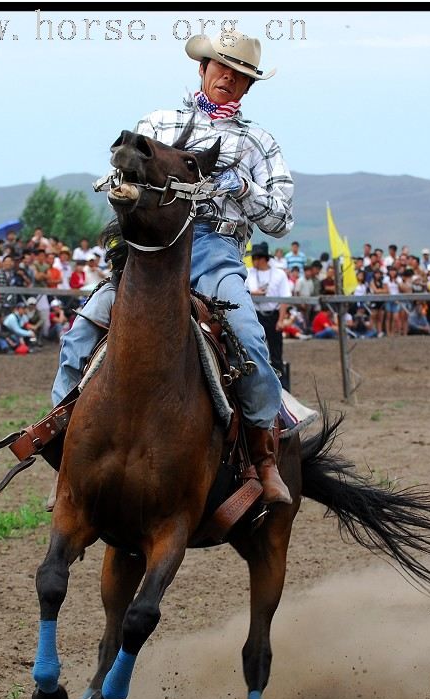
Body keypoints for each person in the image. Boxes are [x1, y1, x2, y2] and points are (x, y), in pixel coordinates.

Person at [51, 29, 294, 505]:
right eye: (222, 68)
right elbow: (127, 175)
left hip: (214, 251)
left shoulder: (259, 143)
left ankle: (263, 456)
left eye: (241, 75)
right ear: (202, 68)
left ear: (250, 86)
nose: (229, 78)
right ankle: (60, 431)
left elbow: (282, 220)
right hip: (150, 248)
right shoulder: (156, 123)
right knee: (85, 326)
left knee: (248, 336)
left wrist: (245, 188)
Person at [245, 241, 291, 387]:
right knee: (255, 350)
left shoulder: (279, 274)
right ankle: (260, 384)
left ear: (263, 258)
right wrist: (254, 293)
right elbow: (241, 291)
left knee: (276, 353)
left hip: (273, 315)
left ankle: (282, 387)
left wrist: (281, 320)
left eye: (256, 258)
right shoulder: (248, 273)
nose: (253, 261)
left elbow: (284, 298)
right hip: (255, 314)